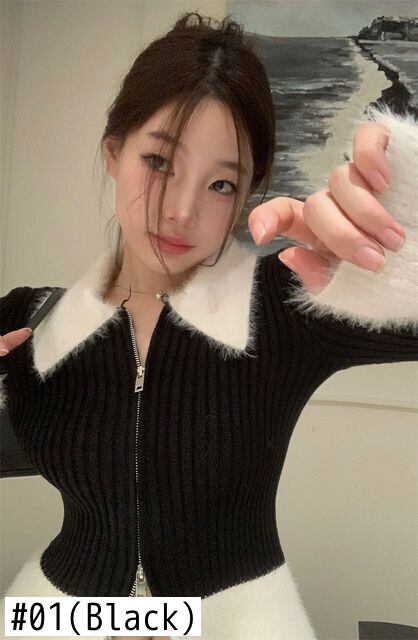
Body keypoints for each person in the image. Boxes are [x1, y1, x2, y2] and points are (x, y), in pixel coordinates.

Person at [1, 11, 417, 640]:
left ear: (248, 192)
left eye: (222, 183)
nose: (182, 210)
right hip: (54, 617)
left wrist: (404, 240)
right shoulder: (29, 318)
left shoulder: (287, 306)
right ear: (113, 153)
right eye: (159, 162)